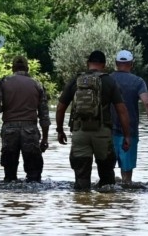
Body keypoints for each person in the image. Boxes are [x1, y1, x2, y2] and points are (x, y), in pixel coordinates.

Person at [56, 50, 131, 190]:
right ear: (104, 65)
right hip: (102, 133)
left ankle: (83, 207)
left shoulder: (76, 80)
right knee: (107, 179)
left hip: (80, 132)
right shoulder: (109, 81)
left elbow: (60, 108)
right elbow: (122, 111)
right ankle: (103, 208)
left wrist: (60, 131)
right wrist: (127, 135)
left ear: (87, 63)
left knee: (81, 177)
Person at [0, 56, 50, 182]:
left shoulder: (4, 82)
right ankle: (31, 199)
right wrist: (45, 139)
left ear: (13, 68)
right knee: (34, 177)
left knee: (9, 176)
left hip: (9, 130)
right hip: (30, 130)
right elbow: (44, 115)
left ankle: (10, 199)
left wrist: (6, 107)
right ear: (27, 68)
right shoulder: (37, 84)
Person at [110, 49, 148, 185]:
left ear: (116, 63)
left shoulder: (108, 80)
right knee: (127, 178)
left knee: (107, 172)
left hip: (108, 132)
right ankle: (126, 202)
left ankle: (108, 202)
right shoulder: (138, 82)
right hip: (129, 133)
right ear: (132, 64)